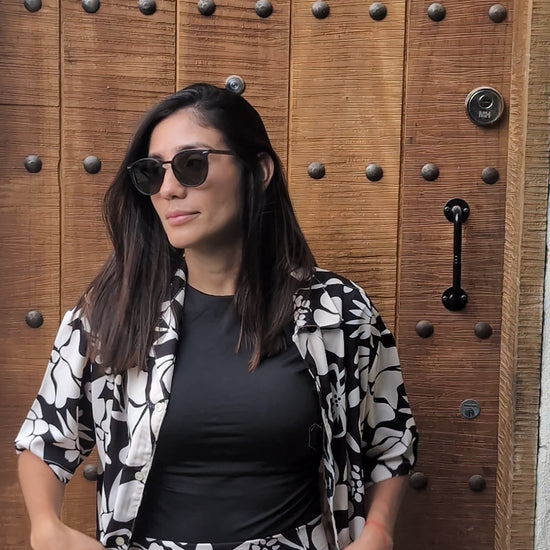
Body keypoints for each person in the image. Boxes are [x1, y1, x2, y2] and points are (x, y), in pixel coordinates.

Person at [15, 83, 418, 550]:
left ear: (259, 170)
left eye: (192, 164)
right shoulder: (113, 311)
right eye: (151, 173)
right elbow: (45, 440)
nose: (169, 188)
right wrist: (46, 528)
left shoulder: (338, 310)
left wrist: (379, 531)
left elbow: (390, 439)